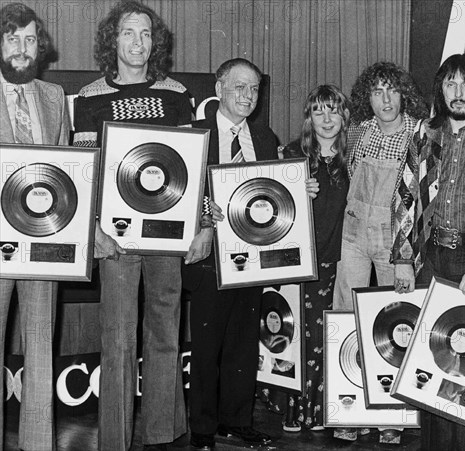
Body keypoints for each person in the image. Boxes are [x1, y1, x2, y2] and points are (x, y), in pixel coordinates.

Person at [73, 2, 193, 450]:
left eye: (145, 34)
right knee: (118, 337)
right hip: (116, 238)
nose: (138, 42)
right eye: (128, 33)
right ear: (113, 41)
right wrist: (94, 229)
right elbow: (87, 171)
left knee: (164, 333)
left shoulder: (176, 93)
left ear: (153, 42)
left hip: (167, 234)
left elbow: (192, 168)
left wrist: (199, 224)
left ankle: (162, 434)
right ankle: (115, 440)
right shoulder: (89, 97)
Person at [392, 53, 465, 451]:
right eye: (450, 84)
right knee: (431, 356)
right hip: (430, 259)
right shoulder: (425, 133)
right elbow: (406, 196)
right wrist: (404, 258)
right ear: (440, 90)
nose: (458, 93)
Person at [180, 58, 280, 451]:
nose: (248, 96)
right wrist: (205, 214)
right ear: (219, 89)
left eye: (254, 89)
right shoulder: (196, 135)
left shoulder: (265, 137)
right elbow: (180, 189)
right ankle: (203, 427)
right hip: (209, 254)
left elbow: (273, 193)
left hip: (251, 254)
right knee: (207, 345)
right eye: (239, 87)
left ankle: (237, 421)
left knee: (242, 342)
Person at [331, 61, 428, 443]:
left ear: (403, 94)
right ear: (366, 98)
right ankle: (348, 412)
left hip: (394, 241)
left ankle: (392, 416)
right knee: (345, 318)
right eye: (376, 92)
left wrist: (406, 254)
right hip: (353, 236)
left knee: (394, 324)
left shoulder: (418, 133)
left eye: (392, 90)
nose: (385, 100)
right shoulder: (359, 130)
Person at [258, 84, 351, 433]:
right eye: (318, 111)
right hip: (296, 260)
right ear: (308, 118)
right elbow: (269, 208)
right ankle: (292, 407)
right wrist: (296, 193)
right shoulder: (290, 154)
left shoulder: (354, 156)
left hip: (335, 259)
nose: (326, 119)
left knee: (323, 334)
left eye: (333, 110)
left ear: (344, 116)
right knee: (293, 332)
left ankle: (317, 408)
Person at [0, 3, 70, 451]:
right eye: (12, 38)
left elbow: (65, 167)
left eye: (29, 39)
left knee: (41, 347)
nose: (22, 49)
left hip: (44, 241)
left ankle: (38, 445)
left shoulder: (54, 95)